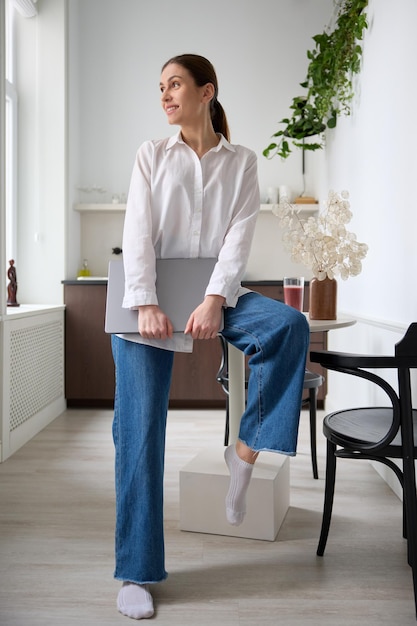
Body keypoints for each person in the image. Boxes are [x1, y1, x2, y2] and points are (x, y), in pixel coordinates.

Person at [111, 53, 310, 620]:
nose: (165, 95)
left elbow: (239, 238)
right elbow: (137, 232)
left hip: (216, 294)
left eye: (175, 84)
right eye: (160, 87)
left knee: (288, 327)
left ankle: (243, 452)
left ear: (206, 91)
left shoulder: (242, 161)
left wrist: (216, 300)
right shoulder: (151, 155)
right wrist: (147, 302)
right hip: (146, 302)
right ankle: (136, 573)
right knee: (140, 434)